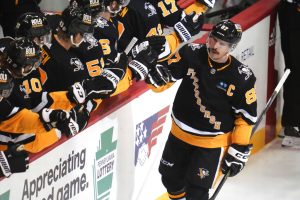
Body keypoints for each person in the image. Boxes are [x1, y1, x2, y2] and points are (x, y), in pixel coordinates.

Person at [148, 20, 257, 200]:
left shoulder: (241, 77)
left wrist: (239, 148)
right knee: (170, 179)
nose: (214, 46)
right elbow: (167, 76)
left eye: (222, 43)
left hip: (210, 144)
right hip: (179, 134)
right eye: (213, 39)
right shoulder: (191, 53)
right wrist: (155, 79)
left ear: (232, 47)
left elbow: (245, 118)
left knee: (197, 192)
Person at [278, 0, 300, 147]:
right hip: (293, 12)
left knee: (293, 70)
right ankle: (292, 125)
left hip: (291, 11)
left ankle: (291, 125)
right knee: (294, 70)